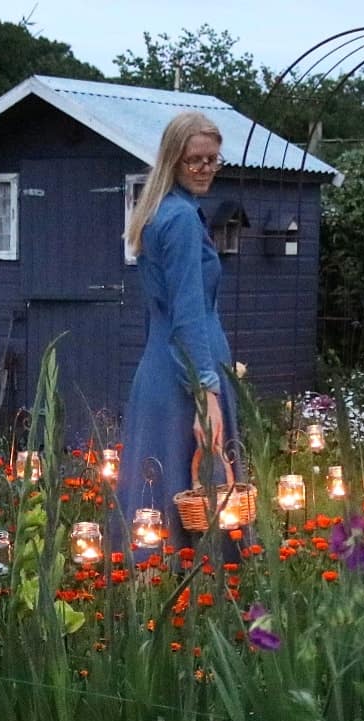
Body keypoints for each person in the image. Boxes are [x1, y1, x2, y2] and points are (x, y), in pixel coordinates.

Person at [117, 111, 243, 552]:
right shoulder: (183, 221)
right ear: (172, 161)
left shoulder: (162, 213)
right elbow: (188, 315)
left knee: (156, 487)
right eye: (195, 161)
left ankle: (149, 592)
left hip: (159, 370)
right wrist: (206, 393)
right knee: (193, 484)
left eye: (213, 159)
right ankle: (197, 595)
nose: (206, 168)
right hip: (185, 377)